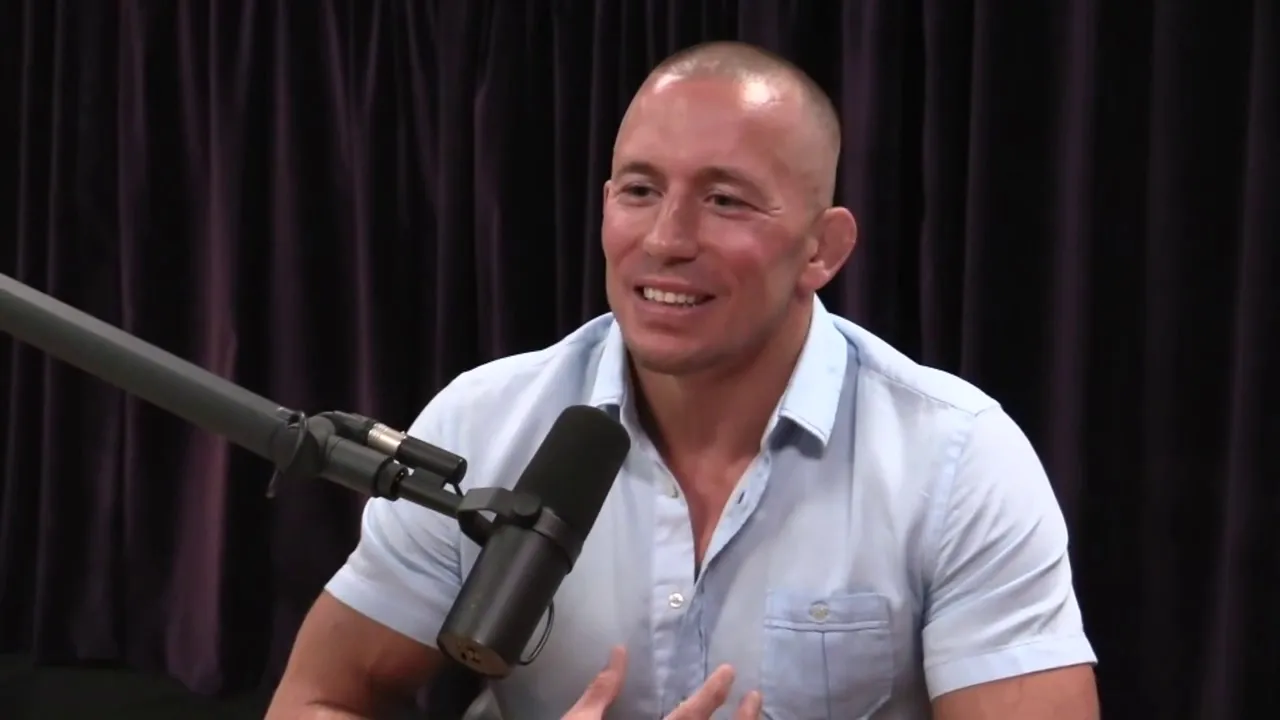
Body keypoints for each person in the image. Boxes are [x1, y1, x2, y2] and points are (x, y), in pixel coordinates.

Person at [266, 41, 1100, 719]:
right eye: (640, 190)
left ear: (823, 249)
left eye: (726, 201)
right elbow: (318, 699)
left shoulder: (955, 459)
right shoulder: (482, 424)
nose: (666, 238)